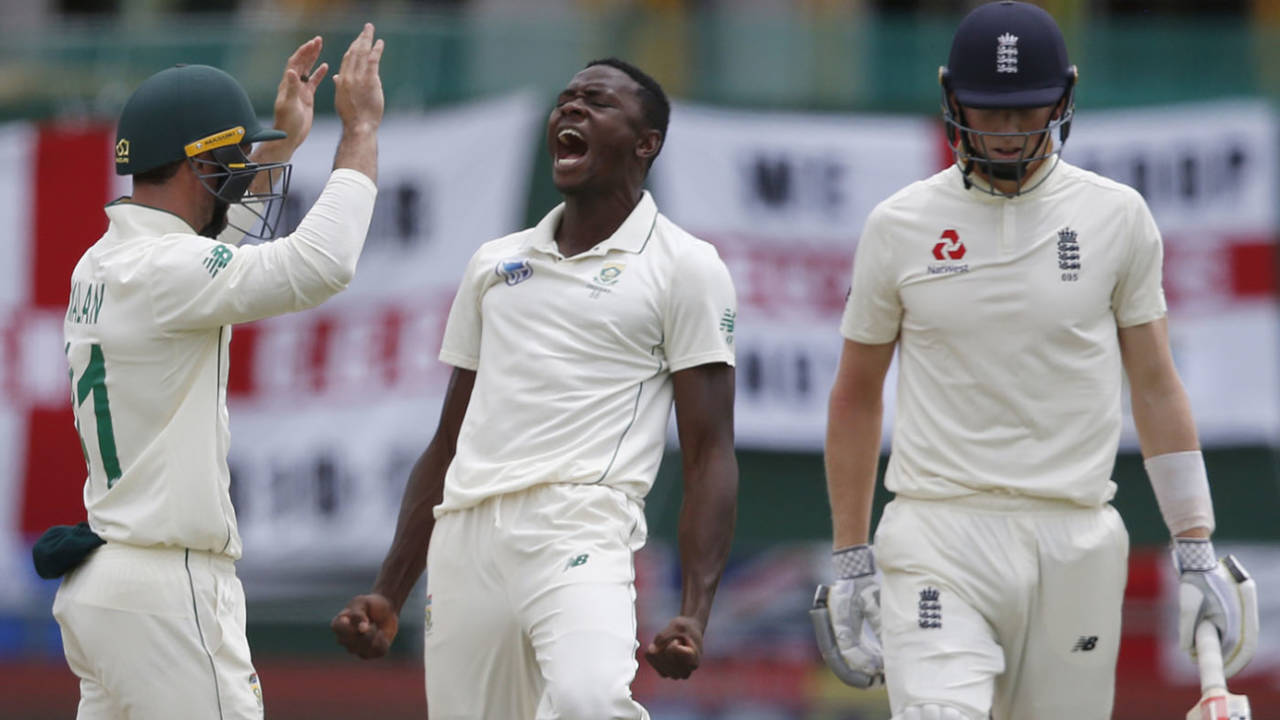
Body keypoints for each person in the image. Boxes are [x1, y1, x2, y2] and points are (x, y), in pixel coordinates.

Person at [811, 3, 1259, 719]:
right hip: (938, 531)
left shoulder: (1118, 216)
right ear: (951, 97)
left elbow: (1154, 383)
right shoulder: (898, 225)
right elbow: (856, 394)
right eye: (990, 112)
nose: (1011, 133)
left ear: (1067, 96)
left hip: (1075, 534)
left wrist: (1195, 544)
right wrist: (851, 556)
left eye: (1029, 112)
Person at [331, 58, 739, 720]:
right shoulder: (495, 262)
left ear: (646, 143)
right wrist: (389, 589)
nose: (571, 110)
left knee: (588, 703)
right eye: (565, 100)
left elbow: (710, 452)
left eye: (597, 103)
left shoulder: (687, 267)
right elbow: (448, 441)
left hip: (579, 524)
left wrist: (693, 611)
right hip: (466, 543)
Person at [38, 24, 385, 719]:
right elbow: (321, 264)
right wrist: (360, 131)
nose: (237, 172)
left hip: (110, 587)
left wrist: (282, 141)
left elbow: (214, 249)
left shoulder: (105, 260)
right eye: (229, 159)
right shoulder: (165, 269)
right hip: (167, 587)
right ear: (199, 165)